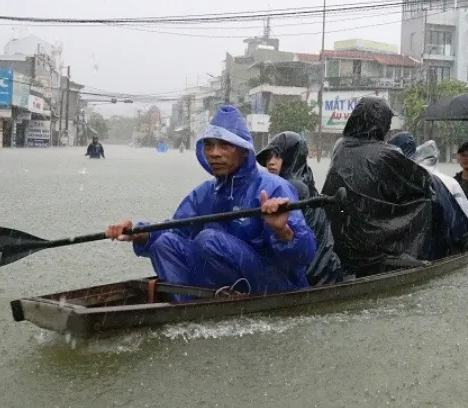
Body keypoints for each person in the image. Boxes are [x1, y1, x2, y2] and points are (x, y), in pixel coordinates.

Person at [104, 105, 317, 301]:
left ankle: (217, 303)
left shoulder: (274, 187)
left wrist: (283, 231)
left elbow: (305, 255)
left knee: (208, 240)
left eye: (225, 145)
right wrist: (140, 232)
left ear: (244, 151)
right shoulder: (204, 193)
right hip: (219, 284)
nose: (214, 153)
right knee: (163, 244)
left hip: (274, 285)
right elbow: (175, 231)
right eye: (209, 145)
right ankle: (186, 311)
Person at [321, 97, 434, 276]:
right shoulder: (386, 154)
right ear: (381, 125)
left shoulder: (340, 147)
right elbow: (425, 183)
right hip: (370, 244)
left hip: (338, 240)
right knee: (428, 202)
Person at [257, 131, 344, 286]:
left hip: (312, 274)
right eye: (269, 157)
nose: (271, 162)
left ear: (292, 158)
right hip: (325, 270)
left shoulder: (293, 187)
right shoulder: (305, 182)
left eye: (278, 156)